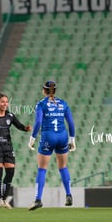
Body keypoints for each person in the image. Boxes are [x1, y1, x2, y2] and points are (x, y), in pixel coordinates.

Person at [28, 80, 76, 211]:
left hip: (48, 137)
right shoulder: (63, 104)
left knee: (42, 168)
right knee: (63, 166)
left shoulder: (41, 104)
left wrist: (32, 138)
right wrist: (72, 140)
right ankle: (69, 195)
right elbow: (71, 123)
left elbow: (38, 122)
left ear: (44, 91)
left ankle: (38, 199)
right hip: (62, 136)